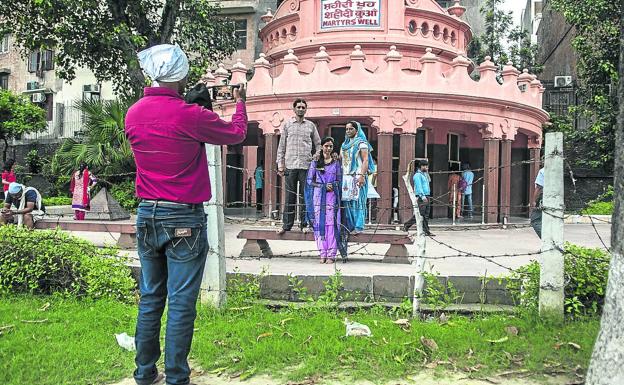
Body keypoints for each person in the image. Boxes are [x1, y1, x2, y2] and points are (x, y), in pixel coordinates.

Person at [125, 44, 247, 385]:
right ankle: (177, 377)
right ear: (180, 76)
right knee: (180, 302)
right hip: (184, 218)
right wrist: (241, 102)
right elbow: (236, 133)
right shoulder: (191, 115)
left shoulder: (133, 113)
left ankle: (144, 373)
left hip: (147, 212)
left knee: (151, 297)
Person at [276, 99, 321, 235]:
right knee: (289, 196)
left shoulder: (311, 126)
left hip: (306, 166)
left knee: (305, 196)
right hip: (290, 165)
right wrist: (280, 164)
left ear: (306, 109)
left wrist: (316, 154)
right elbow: (281, 146)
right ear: (294, 109)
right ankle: (287, 225)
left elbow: (318, 143)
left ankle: (304, 224)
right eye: (299, 107)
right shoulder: (288, 125)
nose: (301, 109)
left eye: (303, 107)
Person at [305, 137, 345, 263]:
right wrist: (322, 186)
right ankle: (322, 253)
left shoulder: (336, 163)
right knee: (320, 224)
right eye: (326, 146)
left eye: (331, 146)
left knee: (332, 225)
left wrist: (332, 186)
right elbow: (309, 181)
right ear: (322, 147)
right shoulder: (315, 163)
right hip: (318, 197)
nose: (328, 148)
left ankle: (331, 254)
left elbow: (340, 180)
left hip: (332, 197)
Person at [340, 121, 376, 234]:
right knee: (347, 202)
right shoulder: (344, 145)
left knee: (358, 202)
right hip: (346, 177)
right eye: (346, 129)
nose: (348, 131)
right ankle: (350, 226)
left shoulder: (361, 143)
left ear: (357, 130)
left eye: (351, 129)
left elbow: (365, 160)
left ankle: (358, 227)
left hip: (357, 176)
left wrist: (362, 176)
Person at [402, 159, 434, 236]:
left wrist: (426, 173)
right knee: (420, 214)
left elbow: (429, 181)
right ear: (421, 166)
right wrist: (422, 196)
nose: (427, 168)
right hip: (421, 197)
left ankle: (426, 230)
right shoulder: (417, 175)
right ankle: (407, 225)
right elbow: (419, 187)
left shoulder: (424, 175)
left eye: (427, 166)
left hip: (427, 195)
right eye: (425, 166)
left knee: (426, 214)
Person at [531, 166, 545, 238]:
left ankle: (547, 241)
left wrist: (534, 201)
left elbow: (539, 187)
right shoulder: (559, 170)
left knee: (535, 220)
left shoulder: (543, 171)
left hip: (543, 197)